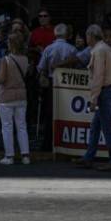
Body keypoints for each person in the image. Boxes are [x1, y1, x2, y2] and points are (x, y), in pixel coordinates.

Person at [73, 24, 111, 171]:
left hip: (103, 93)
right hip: (107, 91)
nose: (86, 39)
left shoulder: (99, 51)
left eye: (87, 36)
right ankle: (89, 157)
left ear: (91, 36)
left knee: (106, 128)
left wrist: (93, 99)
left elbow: (98, 76)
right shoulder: (106, 49)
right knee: (96, 127)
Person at [36, 23, 78, 151]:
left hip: (52, 83)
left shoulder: (48, 49)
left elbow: (41, 67)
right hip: (68, 85)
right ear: (66, 35)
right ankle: (65, 142)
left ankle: (48, 144)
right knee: (66, 113)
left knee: (50, 114)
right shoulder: (72, 49)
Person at [0, 33, 32, 166]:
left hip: (6, 96)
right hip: (21, 96)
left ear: (10, 44)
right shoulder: (25, 59)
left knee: (7, 127)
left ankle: (9, 156)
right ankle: (25, 156)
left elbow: (1, 79)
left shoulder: (5, 59)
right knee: (22, 126)